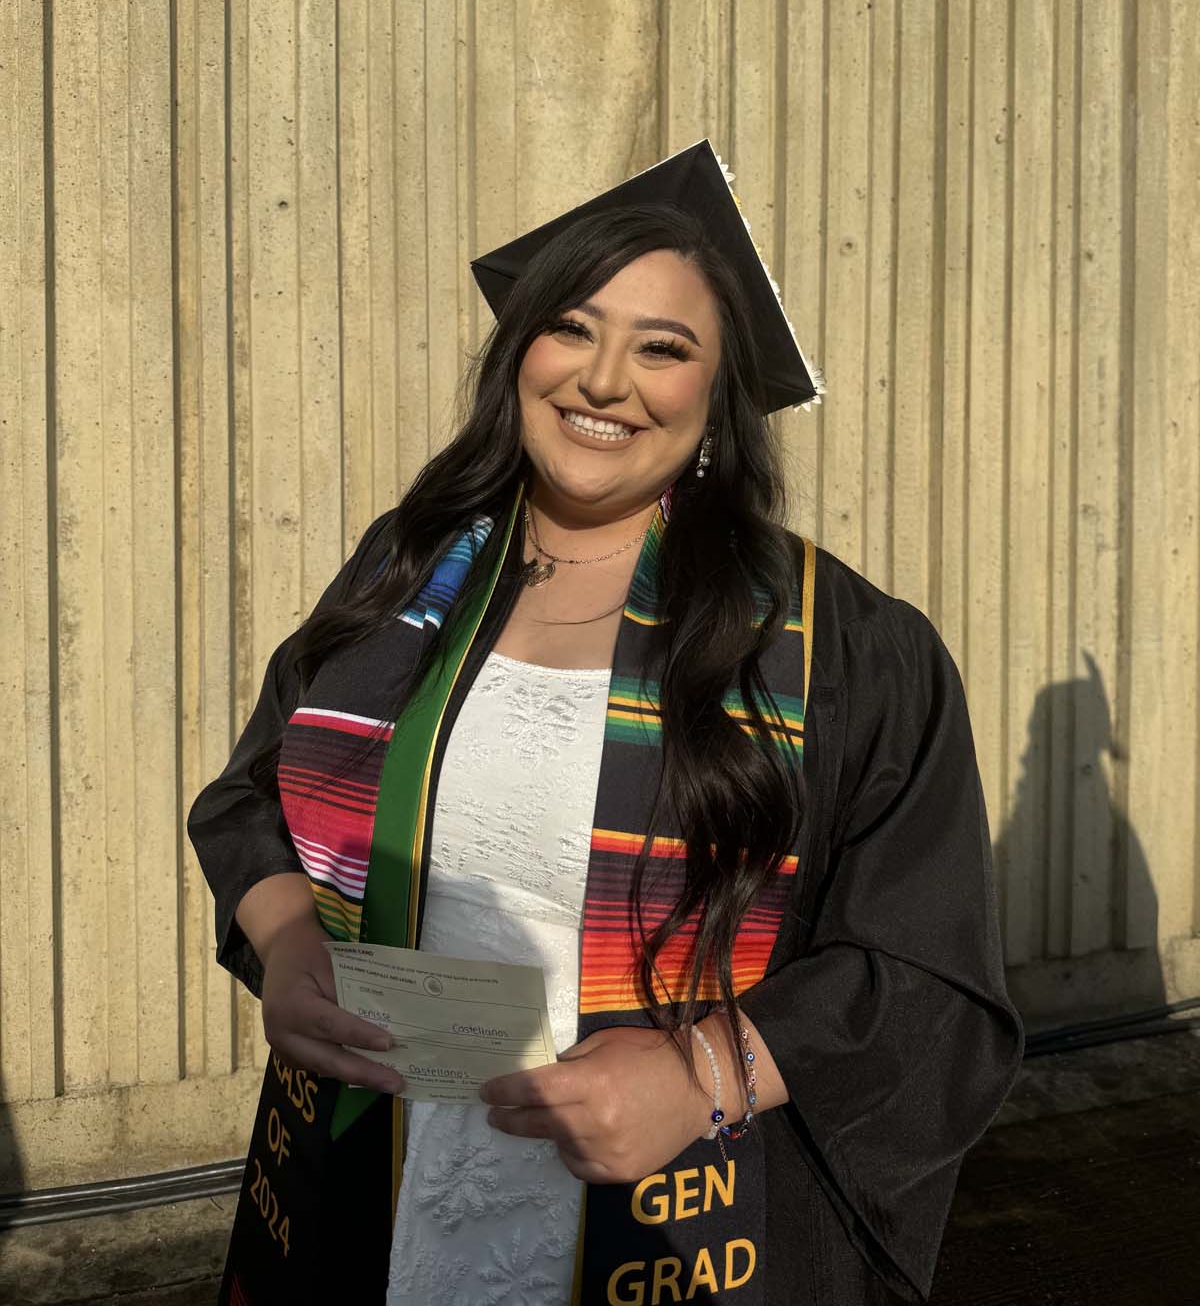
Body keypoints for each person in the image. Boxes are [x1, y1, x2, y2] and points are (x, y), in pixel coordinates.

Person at [188, 140, 1023, 1306]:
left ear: (719, 395)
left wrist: (700, 1076)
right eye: (573, 327)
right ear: (518, 351)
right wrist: (288, 946)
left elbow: (925, 968)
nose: (605, 379)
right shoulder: (410, 571)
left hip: (675, 1212)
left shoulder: (839, 646)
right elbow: (251, 797)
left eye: (663, 348)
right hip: (374, 1186)